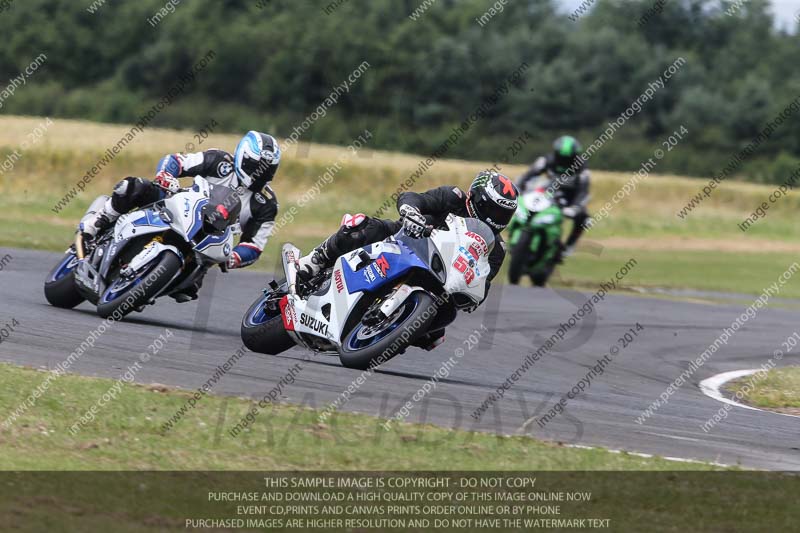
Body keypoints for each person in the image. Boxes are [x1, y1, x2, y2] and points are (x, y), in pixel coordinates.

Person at [296, 169, 518, 350]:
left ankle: (385, 335)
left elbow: (484, 280)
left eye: (503, 214)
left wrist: (474, 296)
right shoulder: (453, 197)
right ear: (477, 198)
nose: (495, 218)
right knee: (362, 227)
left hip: (441, 280)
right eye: (493, 209)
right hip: (406, 240)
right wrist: (411, 211)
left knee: (435, 336)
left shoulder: (496, 248)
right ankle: (316, 259)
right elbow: (415, 198)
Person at [79, 130, 281, 301]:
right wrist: (165, 175)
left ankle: (147, 287)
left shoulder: (266, 203)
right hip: (178, 205)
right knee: (132, 187)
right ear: (242, 156)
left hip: (209, 240)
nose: (259, 173)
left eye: (267, 170)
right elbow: (177, 161)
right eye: (255, 167)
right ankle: (97, 223)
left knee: (189, 289)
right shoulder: (219, 160)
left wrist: (234, 258)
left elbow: (254, 245)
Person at [516, 135, 591, 256]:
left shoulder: (582, 168)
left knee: (584, 219)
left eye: (568, 158)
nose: (564, 161)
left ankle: (569, 246)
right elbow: (529, 175)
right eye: (561, 157)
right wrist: (518, 187)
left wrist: (575, 207)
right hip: (547, 192)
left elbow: (583, 191)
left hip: (570, 198)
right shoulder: (545, 160)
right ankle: (520, 230)